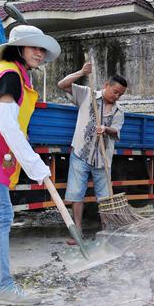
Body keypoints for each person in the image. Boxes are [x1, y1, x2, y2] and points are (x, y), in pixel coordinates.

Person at [0, 25, 60, 305]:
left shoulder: (12, 75)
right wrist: (34, 164)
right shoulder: (9, 75)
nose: (39, 52)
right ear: (17, 49)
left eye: (42, 48)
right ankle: (4, 289)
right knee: (1, 216)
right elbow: (8, 125)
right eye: (33, 46)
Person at [57, 64, 126, 230]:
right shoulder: (87, 94)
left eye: (120, 94)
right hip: (81, 153)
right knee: (76, 194)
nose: (117, 96)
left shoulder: (119, 112)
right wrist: (81, 72)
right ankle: (78, 230)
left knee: (104, 197)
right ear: (106, 85)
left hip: (103, 159)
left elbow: (116, 132)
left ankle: (107, 229)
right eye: (115, 91)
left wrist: (106, 129)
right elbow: (62, 85)